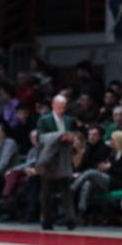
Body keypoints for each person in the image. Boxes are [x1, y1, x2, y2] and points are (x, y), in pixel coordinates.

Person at [36, 95, 77, 230]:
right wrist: (59, 136)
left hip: (64, 158)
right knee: (46, 193)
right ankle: (47, 221)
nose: (62, 110)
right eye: (60, 107)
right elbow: (40, 138)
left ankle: (70, 220)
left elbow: (74, 136)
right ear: (53, 105)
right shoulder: (44, 120)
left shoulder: (69, 120)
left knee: (66, 190)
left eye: (64, 107)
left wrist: (70, 138)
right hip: (50, 158)